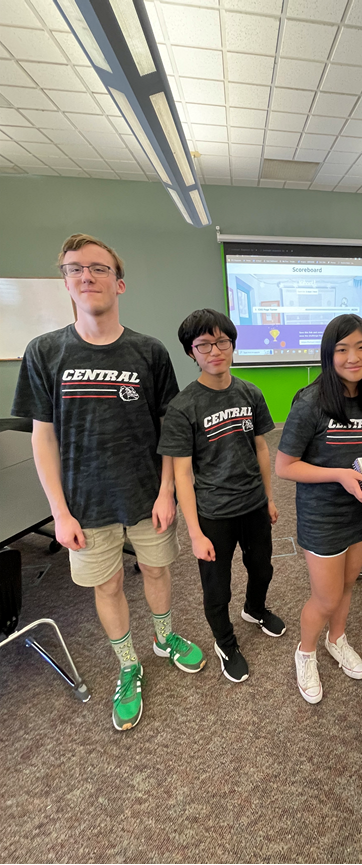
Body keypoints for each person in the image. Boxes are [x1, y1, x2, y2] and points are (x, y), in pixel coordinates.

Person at [12, 234, 206, 732]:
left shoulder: (149, 351)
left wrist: (167, 492)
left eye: (97, 269)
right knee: (109, 583)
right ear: (66, 283)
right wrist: (58, 511)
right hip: (85, 503)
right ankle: (128, 664)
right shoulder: (44, 351)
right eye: (75, 269)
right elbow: (43, 439)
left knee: (158, 572)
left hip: (147, 495)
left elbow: (169, 430)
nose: (86, 277)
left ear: (118, 282)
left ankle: (163, 639)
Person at [158, 309, 285, 685]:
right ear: (191, 352)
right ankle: (225, 641)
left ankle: (255, 609)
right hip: (213, 513)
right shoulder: (183, 407)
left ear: (232, 344)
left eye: (222, 342)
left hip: (254, 505)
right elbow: (182, 473)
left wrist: (270, 497)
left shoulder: (250, 392)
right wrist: (195, 533)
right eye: (204, 345)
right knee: (217, 585)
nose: (215, 350)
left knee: (262, 567)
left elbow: (262, 448)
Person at [276, 314, 362, 704]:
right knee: (324, 597)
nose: (353, 357)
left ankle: (336, 639)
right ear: (329, 355)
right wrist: (340, 474)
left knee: (346, 586)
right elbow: (285, 466)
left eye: (361, 347)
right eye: (341, 349)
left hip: (361, 513)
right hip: (322, 516)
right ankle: (305, 652)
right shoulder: (310, 402)